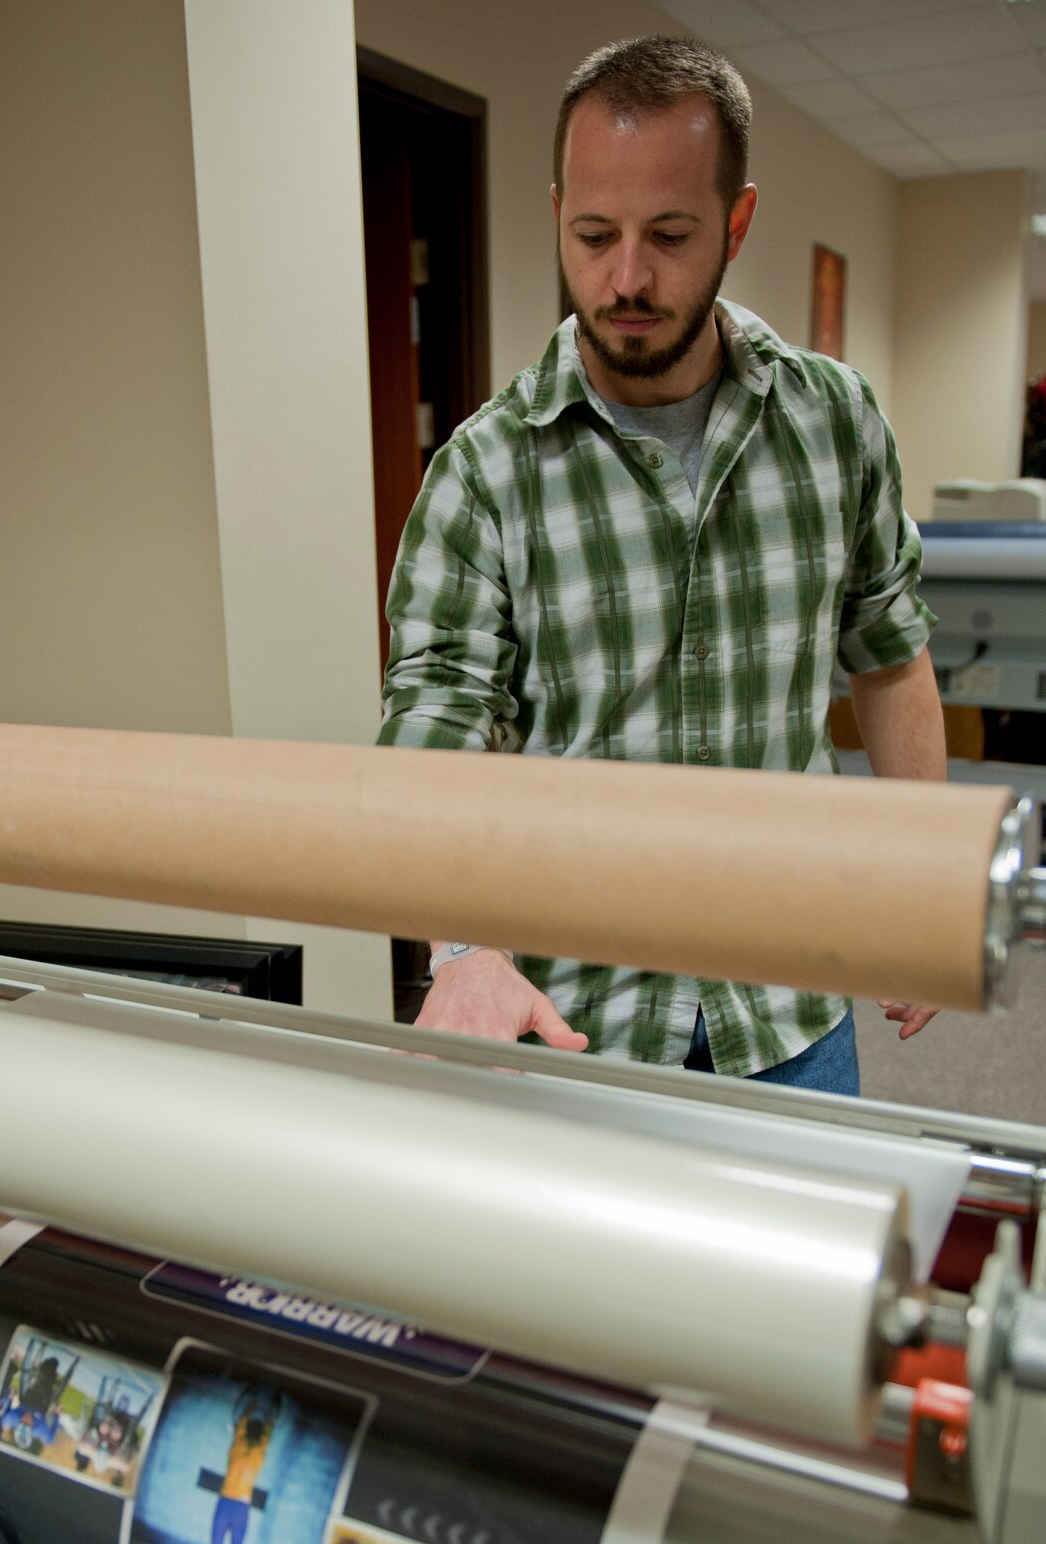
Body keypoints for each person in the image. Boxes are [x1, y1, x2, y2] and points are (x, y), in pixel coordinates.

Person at [378, 35, 946, 1093]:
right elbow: (431, 738)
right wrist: (461, 949)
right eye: (592, 235)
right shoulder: (482, 471)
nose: (624, 277)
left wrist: (922, 884)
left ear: (736, 221)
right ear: (556, 212)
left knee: (798, 1260)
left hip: (786, 1004)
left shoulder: (832, 421)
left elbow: (888, 657)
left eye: (669, 235)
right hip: (573, 1021)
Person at [200, 1398, 276, 1544]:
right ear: (260, 1435)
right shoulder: (260, 1451)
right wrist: (268, 1415)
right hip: (241, 1507)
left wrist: (251, 1407)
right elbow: (269, 1428)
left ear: (244, 1432)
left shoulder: (237, 1445)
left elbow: (243, 1420)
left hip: (225, 1504)